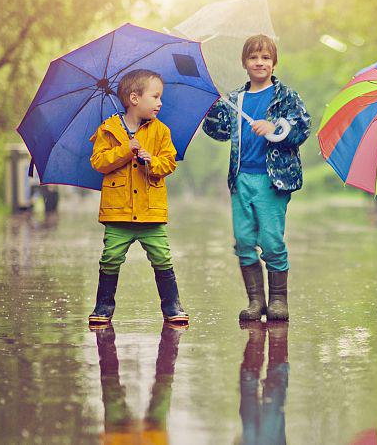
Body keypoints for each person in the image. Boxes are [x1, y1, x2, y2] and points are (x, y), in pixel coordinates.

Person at [202, 35, 310, 321]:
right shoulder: (236, 99)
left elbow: (302, 127)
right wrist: (213, 105)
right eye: (253, 58)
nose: (259, 62)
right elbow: (218, 131)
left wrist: (276, 127)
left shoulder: (284, 96)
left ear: (274, 62)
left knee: (271, 239)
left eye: (265, 57)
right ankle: (255, 301)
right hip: (241, 177)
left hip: (272, 180)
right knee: (243, 240)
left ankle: (277, 300)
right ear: (244, 63)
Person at [88, 69, 188, 326]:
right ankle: (103, 305)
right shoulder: (108, 130)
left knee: (162, 257)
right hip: (118, 213)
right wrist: (125, 149)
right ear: (134, 98)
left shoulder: (161, 131)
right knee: (110, 258)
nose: (160, 103)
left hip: (150, 213)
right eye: (155, 97)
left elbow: (169, 163)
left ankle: (172, 305)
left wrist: (151, 160)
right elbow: (99, 162)